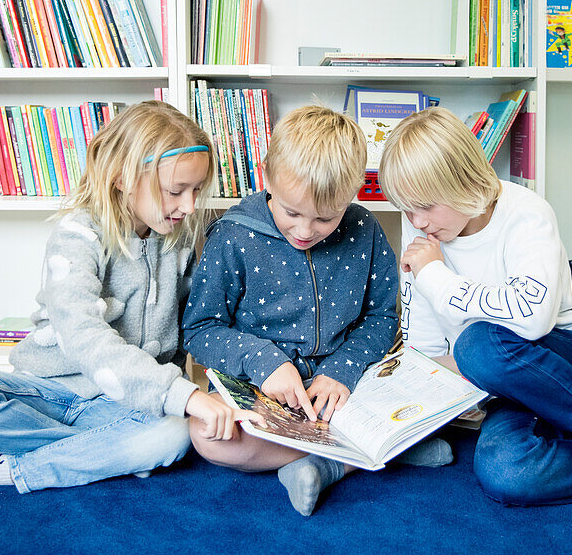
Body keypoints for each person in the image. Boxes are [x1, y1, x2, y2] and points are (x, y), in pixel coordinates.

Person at [0, 100, 256, 501]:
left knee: (171, 436)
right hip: (49, 391)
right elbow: (83, 336)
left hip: (126, 405)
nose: (189, 205)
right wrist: (185, 398)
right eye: (175, 191)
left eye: (197, 190)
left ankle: (8, 467)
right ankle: (102, 454)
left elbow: (200, 326)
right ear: (121, 178)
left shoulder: (183, 240)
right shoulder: (78, 234)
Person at [378, 105, 572, 517]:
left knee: (477, 343)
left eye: (426, 206)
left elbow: (533, 320)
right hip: (511, 386)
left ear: (461, 180)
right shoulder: (423, 229)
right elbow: (427, 351)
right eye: (405, 208)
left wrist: (433, 275)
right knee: (506, 473)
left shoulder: (525, 213)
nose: (416, 222)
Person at [182, 104, 450, 517]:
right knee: (207, 435)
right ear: (267, 173)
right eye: (291, 212)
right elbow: (200, 329)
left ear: (355, 190)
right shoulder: (232, 234)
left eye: (326, 218)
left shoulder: (364, 230)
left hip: (349, 385)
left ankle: (334, 460)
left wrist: (342, 370)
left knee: (428, 392)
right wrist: (264, 361)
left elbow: (381, 318)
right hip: (264, 391)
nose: (305, 231)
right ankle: (367, 455)